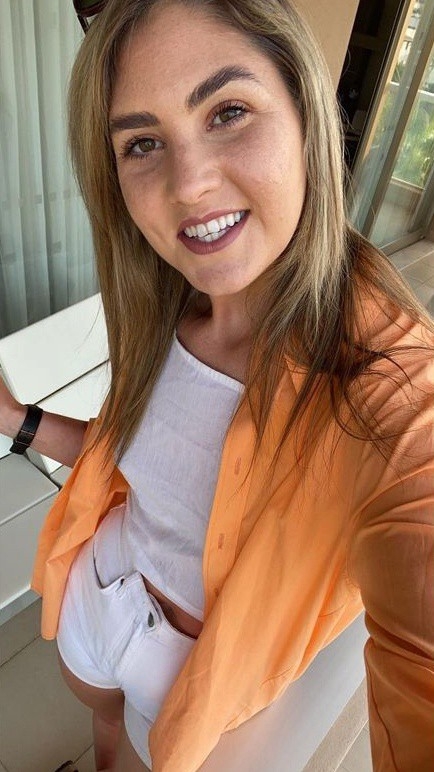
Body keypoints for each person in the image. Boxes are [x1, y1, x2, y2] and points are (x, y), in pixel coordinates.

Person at [0, 0, 433, 770]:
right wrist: (14, 418)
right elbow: (132, 457)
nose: (189, 185)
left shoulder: (381, 375)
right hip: (99, 586)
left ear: (306, 115)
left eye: (228, 111)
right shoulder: (167, 300)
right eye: (142, 143)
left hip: (188, 676)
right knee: (103, 739)